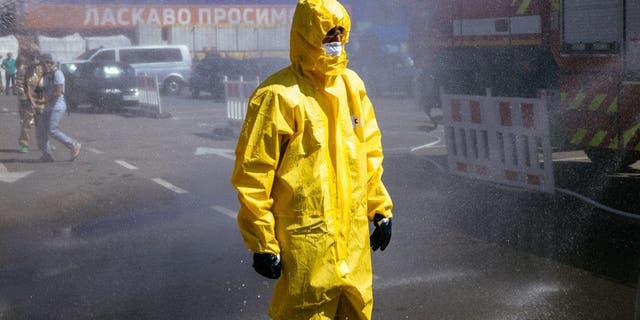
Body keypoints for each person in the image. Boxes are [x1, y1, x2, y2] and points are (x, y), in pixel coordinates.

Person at [231, 1, 393, 319]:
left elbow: (369, 154)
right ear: (305, 35)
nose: (334, 40)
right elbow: (254, 173)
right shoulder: (278, 95)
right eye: (326, 33)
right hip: (308, 247)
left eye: (339, 32)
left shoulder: (352, 86)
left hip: (353, 244)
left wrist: (380, 209)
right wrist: (262, 242)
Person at [35, 53, 81, 162]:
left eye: (45, 63)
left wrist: (44, 101)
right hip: (47, 106)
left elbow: (58, 92)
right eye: (42, 63)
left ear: (50, 63)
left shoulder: (57, 73)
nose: (43, 65)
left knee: (52, 129)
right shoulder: (45, 75)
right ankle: (47, 154)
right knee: (41, 130)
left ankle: (73, 145)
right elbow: (41, 90)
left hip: (57, 106)